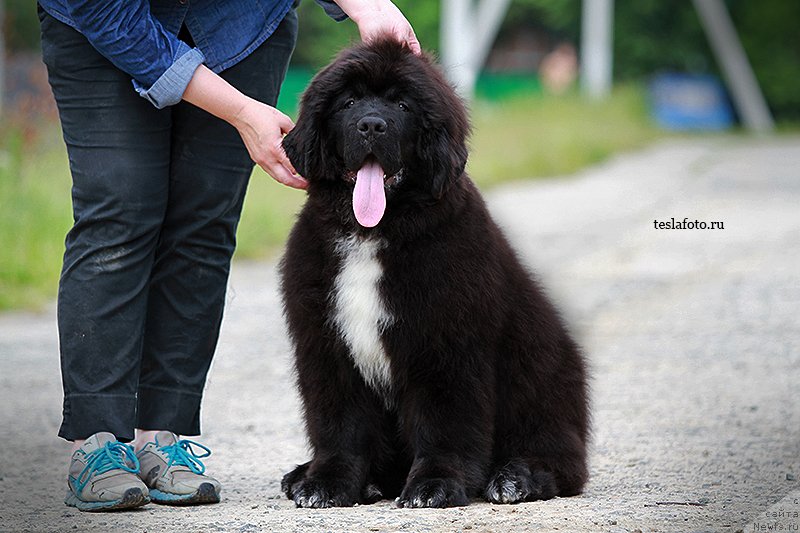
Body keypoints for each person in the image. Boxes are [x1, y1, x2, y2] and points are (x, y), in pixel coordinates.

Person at [37, 0, 420, 512]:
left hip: (240, 26)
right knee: (120, 214)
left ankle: (163, 437)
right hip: (103, 24)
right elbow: (109, 15)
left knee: (203, 225)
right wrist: (241, 112)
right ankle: (98, 441)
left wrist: (367, 6)